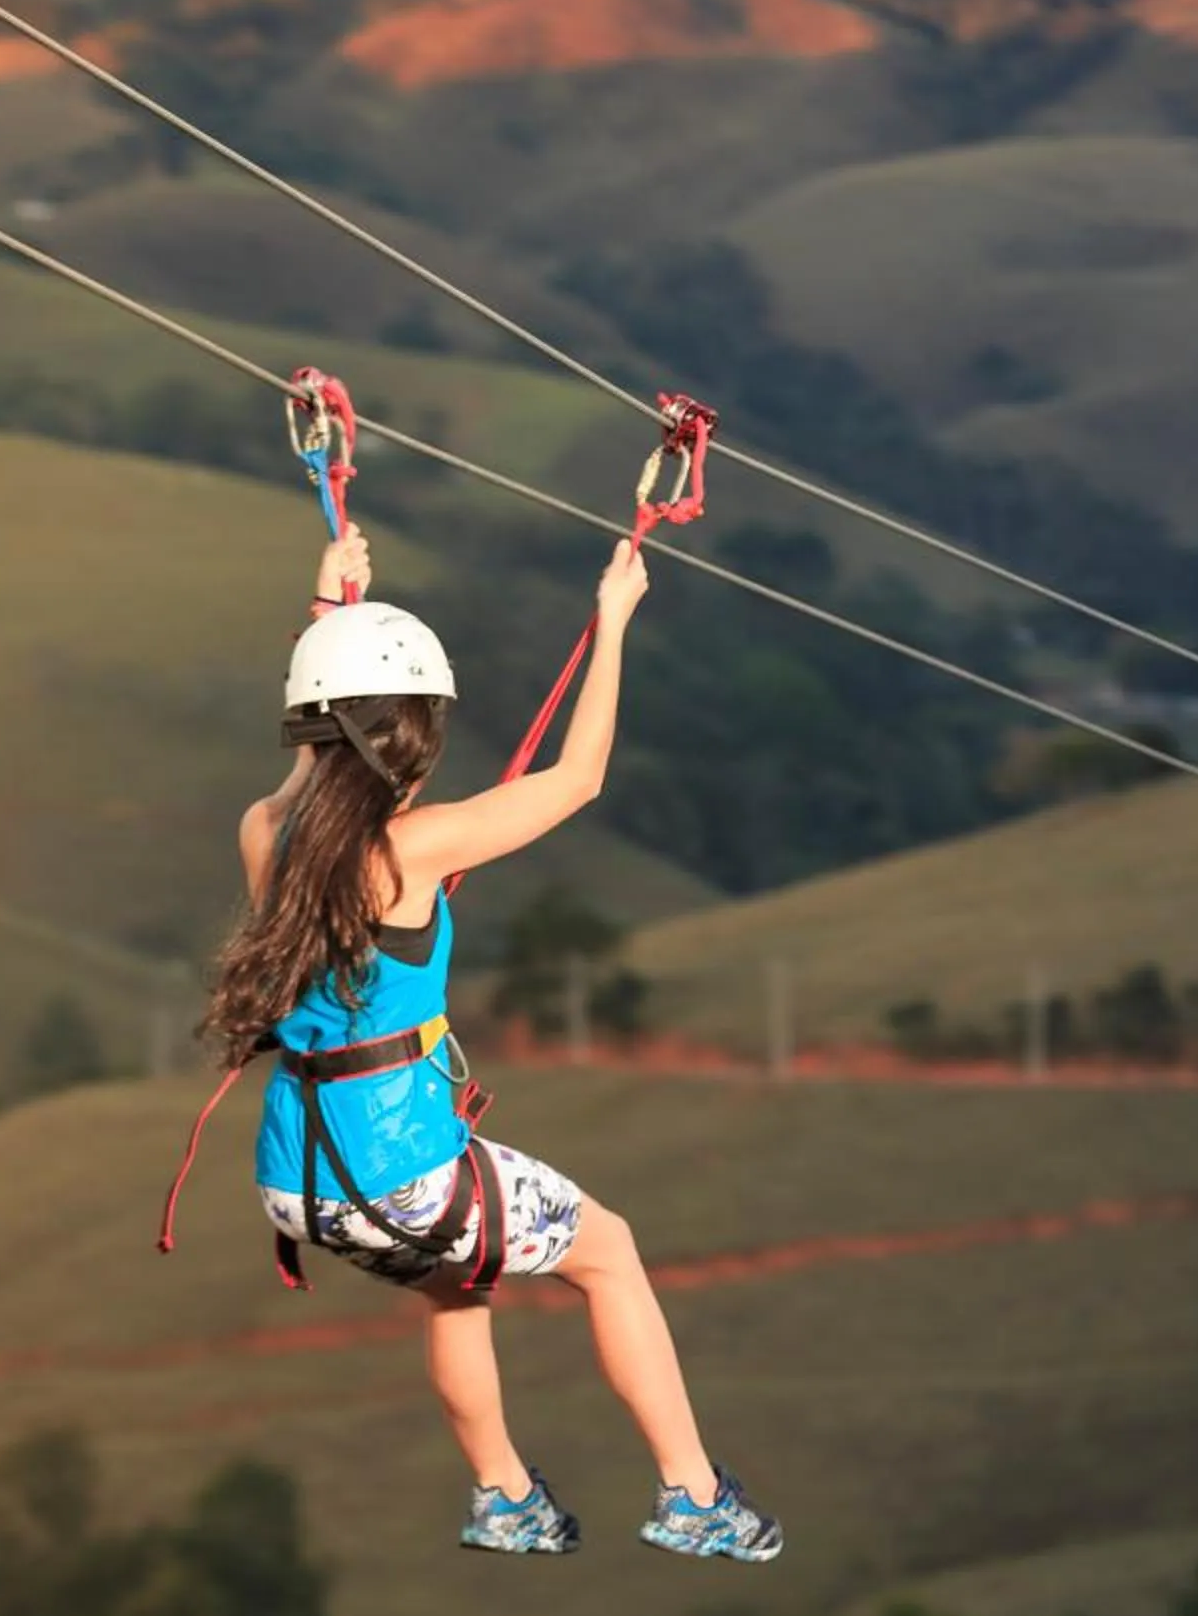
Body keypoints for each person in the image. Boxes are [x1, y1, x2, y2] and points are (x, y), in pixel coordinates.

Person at [199, 523, 781, 1562]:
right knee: (610, 1253)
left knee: (458, 1286)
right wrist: (612, 621)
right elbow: (580, 777)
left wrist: (329, 613)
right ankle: (694, 1492)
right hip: (403, 1174)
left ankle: (505, 1493)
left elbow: (309, 767)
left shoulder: (261, 829)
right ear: (410, 739)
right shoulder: (414, 847)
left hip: (300, 1179)